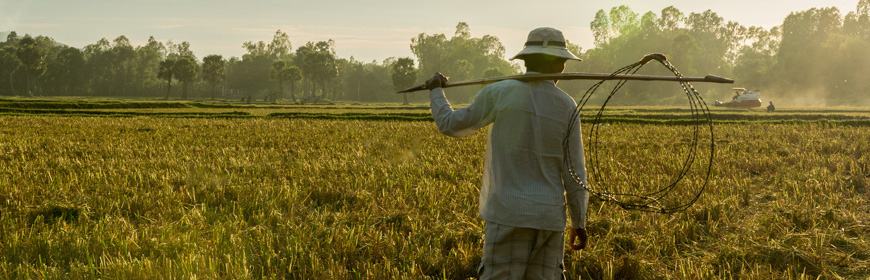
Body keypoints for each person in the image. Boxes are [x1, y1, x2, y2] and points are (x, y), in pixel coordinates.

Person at [425, 27, 589, 279]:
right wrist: (579, 222)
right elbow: (576, 173)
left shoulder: (500, 92)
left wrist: (436, 90)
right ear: (559, 65)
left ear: (525, 61)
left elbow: (451, 124)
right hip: (549, 219)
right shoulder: (567, 106)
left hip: (508, 215)